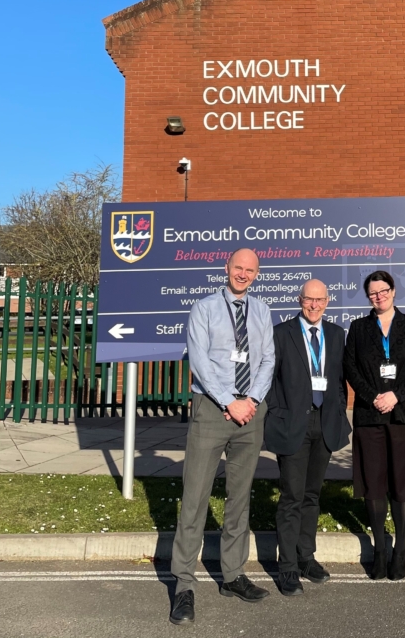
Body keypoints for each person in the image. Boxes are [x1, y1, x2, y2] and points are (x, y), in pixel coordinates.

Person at [169, 248, 275, 625]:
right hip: (212, 410)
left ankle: (232, 575)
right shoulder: (205, 309)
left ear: (257, 274)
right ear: (225, 268)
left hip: (250, 413)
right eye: (238, 268)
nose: (243, 274)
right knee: (195, 498)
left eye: (250, 270)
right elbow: (199, 361)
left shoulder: (262, 311)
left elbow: (267, 360)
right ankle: (183, 584)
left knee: (239, 498)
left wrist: (251, 400)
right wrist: (230, 401)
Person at [264, 278, 351, 596]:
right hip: (292, 425)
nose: (314, 305)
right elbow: (269, 378)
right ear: (299, 300)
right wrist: (277, 411)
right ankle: (286, 568)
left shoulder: (336, 334)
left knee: (312, 496)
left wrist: (339, 409)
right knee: (291, 498)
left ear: (327, 301)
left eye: (320, 300)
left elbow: (341, 380)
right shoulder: (281, 333)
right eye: (308, 300)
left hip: (324, 423)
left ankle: (306, 558)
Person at [343, 270, 405, 581]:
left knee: (402, 483)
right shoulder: (359, 328)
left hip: (403, 414)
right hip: (370, 415)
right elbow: (350, 366)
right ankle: (379, 548)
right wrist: (373, 396)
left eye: (383, 291)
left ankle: (400, 548)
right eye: (372, 293)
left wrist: (396, 395)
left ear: (394, 292)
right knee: (373, 482)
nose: (378, 297)